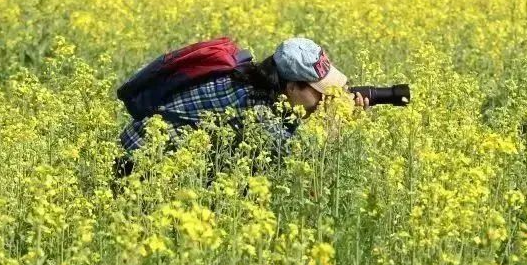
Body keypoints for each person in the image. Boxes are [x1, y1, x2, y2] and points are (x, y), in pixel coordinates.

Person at [114, 37, 368, 179]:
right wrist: (334, 122)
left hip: (162, 162)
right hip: (137, 169)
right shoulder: (254, 107)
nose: (326, 99)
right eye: (321, 92)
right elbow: (299, 156)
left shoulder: (255, 82)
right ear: (292, 87)